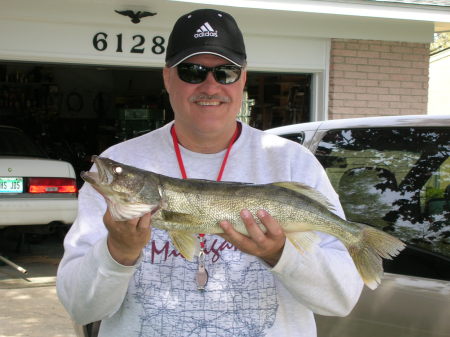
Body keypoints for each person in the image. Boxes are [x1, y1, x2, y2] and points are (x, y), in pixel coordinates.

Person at [57, 8, 363, 337]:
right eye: (192, 71)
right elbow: (80, 307)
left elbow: (341, 300)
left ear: (243, 78)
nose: (210, 86)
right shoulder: (119, 160)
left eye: (226, 72)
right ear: (167, 77)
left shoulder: (293, 162)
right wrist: (119, 251)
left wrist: (280, 253)